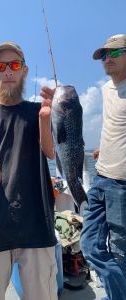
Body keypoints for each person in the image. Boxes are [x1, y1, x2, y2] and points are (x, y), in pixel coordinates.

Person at [0, 41, 58, 300]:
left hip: (36, 227)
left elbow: (52, 153)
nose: (7, 71)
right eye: (0, 66)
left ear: (24, 71)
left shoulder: (39, 111)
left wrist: (45, 119)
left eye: (14, 65)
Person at [80, 34, 126, 300]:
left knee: (120, 253)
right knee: (90, 246)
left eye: (115, 53)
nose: (107, 59)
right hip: (100, 177)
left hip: (121, 184)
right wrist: (103, 148)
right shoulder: (107, 88)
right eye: (104, 55)